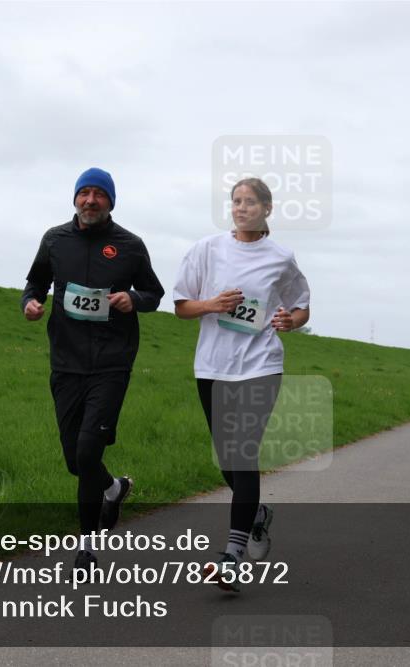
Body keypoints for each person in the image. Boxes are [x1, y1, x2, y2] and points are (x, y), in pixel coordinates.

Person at [22, 167, 164, 570]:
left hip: (111, 363)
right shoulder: (55, 240)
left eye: (98, 194)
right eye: (83, 193)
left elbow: (154, 293)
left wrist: (132, 299)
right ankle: (114, 487)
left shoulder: (130, 245)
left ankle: (87, 546)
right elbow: (35, 284)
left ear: (110, 201)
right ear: (74, 199)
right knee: (75, 460)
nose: (90, 200)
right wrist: (30, 305)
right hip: (65, 363)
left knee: (88, 451)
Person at [173, 177, 310, 593]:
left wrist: (291, 321)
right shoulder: (206, 250)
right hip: (213, 366)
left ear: (267, 209)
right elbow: (181, 306)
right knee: (226, 458)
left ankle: (231, 557)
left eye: (250, 202)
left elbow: (301, 305)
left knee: (242, 452)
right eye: (235, 201)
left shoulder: (281, 258)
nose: (241, 207)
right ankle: (256, 514)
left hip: (260, 365)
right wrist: (213, 305)